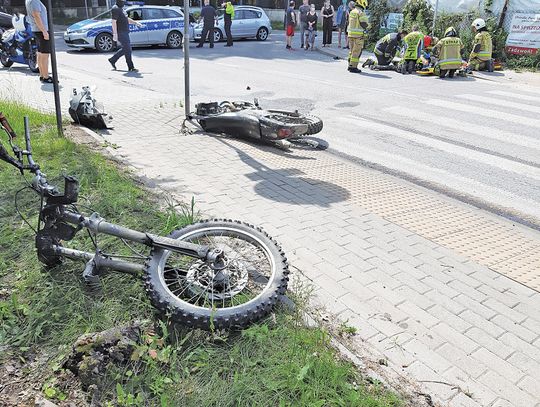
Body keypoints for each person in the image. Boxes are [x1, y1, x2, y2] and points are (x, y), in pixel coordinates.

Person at [108, 0, 142, 72]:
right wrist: (115, 34)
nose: (123, 1)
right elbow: (113, 22)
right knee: (128, 49)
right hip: (120, 32)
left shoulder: (121, 8)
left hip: (125, 32)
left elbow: (126, 19)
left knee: (126, 49)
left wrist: (135, 22)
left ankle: (113, 59)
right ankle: (131, 67)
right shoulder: (115, 8)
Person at [25, 0, 51, 83]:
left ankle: (42, 75)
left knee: (40, 53)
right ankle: (46, 77)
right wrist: (44, 31)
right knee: (45, 54)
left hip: (37, 30)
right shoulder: (34, 0)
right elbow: (36, 15)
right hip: (40, 30)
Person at [346, 0, 369, 73]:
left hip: (350, 35)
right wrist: (369, 26)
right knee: (356, 52)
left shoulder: (352, 11)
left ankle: (350, 65)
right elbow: (363, 24)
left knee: (351, 51)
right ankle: (353, 67)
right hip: (358, 36)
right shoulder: (360, 13)